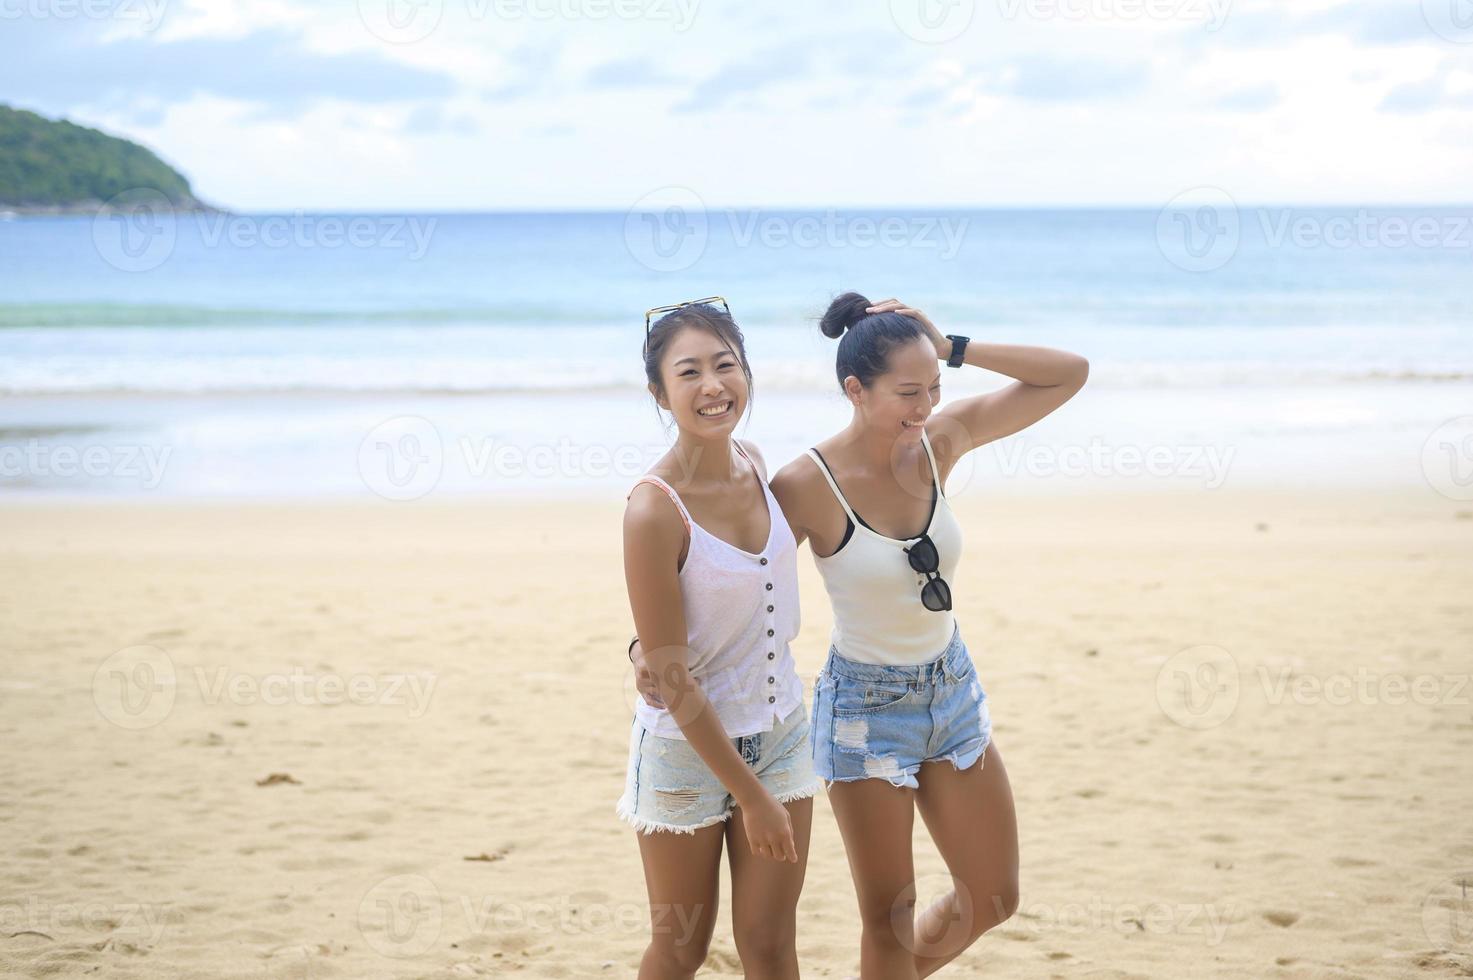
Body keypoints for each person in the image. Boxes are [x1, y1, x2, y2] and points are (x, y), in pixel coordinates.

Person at [634, 292, 1089, 978]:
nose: (926, 405)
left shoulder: (940, 441)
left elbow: (1068, 372)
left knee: (992, 895)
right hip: (863, 712)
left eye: (933, 387)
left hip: (952, 690)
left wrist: (950, 345)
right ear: (855, 389)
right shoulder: (800, 484)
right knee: (883, 921)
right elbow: (733, 573)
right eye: (907, 391)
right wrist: (647, 648)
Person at [619, 298, 820, 980]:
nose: (712, 385)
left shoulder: (757, 463)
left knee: (770, 946)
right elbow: (672, 678)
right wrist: (754, 799)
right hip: (684, 750)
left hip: (781, 730)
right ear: (659, 393)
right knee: (682, 948)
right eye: (689, 372)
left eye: (725, 365)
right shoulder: (652, 509)